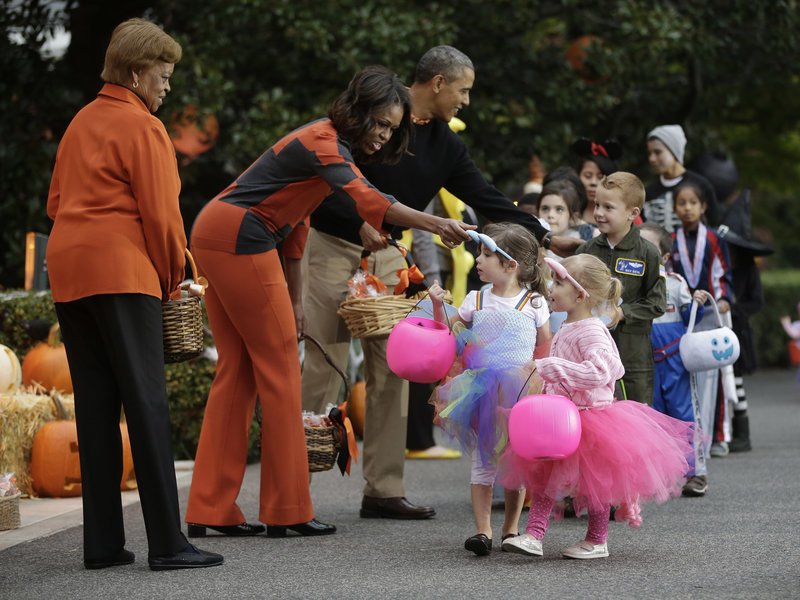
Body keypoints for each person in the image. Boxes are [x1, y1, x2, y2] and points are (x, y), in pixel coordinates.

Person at [185, 66, 473, 537]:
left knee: (237, 372)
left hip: (221, 231)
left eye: (390, 128)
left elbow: (296, 223)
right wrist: (435, 224)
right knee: (279, 371)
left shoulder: (326, 148)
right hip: (240, 236)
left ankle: (209, 509)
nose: (383, 135)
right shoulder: (323, 141)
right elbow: (368, 199)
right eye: (379, 123)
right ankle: (287, 510)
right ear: (358, 111)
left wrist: (296, 300)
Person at [302, 46, 577, 519]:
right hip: (332, 243)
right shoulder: (379, 115)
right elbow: (329, 175)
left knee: (393, 367)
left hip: (389, 254)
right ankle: (294, 489)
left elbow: (486, 196)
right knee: (324, 360)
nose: (466, 101)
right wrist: (358, 217)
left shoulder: (446, 145)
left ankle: (383, 489)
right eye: (463, 90)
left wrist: (544, 235)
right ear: (437, 83)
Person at [45, 18, 222, 571]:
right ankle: (169, 544)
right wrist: (175, 277)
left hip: (69, 272)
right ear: (138, 73)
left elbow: (54, 204)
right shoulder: (143, 127)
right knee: (145, 404)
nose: (167, 87)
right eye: (164, 76)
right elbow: (163, 218)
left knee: (96, 407)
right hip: (122, 272)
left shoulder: (79, 122)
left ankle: (102, 544)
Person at [500, 255, 692, 560]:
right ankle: (534, 536)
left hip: (591, 419)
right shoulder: (568, 325)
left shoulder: (591, 329)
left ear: (580, 295)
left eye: (559, 282)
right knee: (547, 476)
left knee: (596, 484)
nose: (551, 287)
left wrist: (554, 367)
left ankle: (597, 539)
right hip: (564, 418)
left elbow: (605, 370)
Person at [429, 223, 551, 556]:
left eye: (486, 255)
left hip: (522, 390)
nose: (478, 261)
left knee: (517, 461)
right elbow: (451, 338)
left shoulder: (535, 303)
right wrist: (439, 307)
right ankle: (483, 530)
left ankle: (511, 528)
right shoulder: (475, 298)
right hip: (481, 390)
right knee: (484, 461)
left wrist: (544, 385)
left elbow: (545, 347)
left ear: (511, 265)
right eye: (479, 253)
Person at [576, 173, 666, 405]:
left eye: (608, 207)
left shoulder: (648, 253)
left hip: (633, 356)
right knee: (595, 415)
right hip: (591, 354)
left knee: (635, 419)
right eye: (597, 204)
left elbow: (657, 303)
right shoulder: (586, 250)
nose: (599, 212)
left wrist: (622, 313)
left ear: (632, 214)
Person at [639, 223, 711, 497]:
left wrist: (697, 304)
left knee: (684, 415)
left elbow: (691, 317)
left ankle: (695, 473)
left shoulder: (676, 283)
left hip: (675, 360)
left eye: (649, 247)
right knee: (652, 417)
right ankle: (661, 475)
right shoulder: (631, 284)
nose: (642, 251)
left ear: (666, 258)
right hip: (644, 360)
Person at [669, 182, 734, 458]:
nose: (687, 208)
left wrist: (723, 298)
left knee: (714, 374)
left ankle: (718, 435)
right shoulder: (671, 240)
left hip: (709, 314)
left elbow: (723, 273)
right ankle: (687, 437)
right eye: (681, 203)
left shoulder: (714, 239)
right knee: (684, 374)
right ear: (675, 208)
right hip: (683, 315)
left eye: (692, 202)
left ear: (703, 206)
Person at [644, 125, 721, 231]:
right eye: (649, 153)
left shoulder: (701, 185)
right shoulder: (648, 192)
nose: (652, 159)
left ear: (674, 152)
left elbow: (715, 225)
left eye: (658, 152)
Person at [570, 137, 622, 224]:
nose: (593, 182)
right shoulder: (567, 210)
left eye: (600, 177)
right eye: (588, 176)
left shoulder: (625, 215)